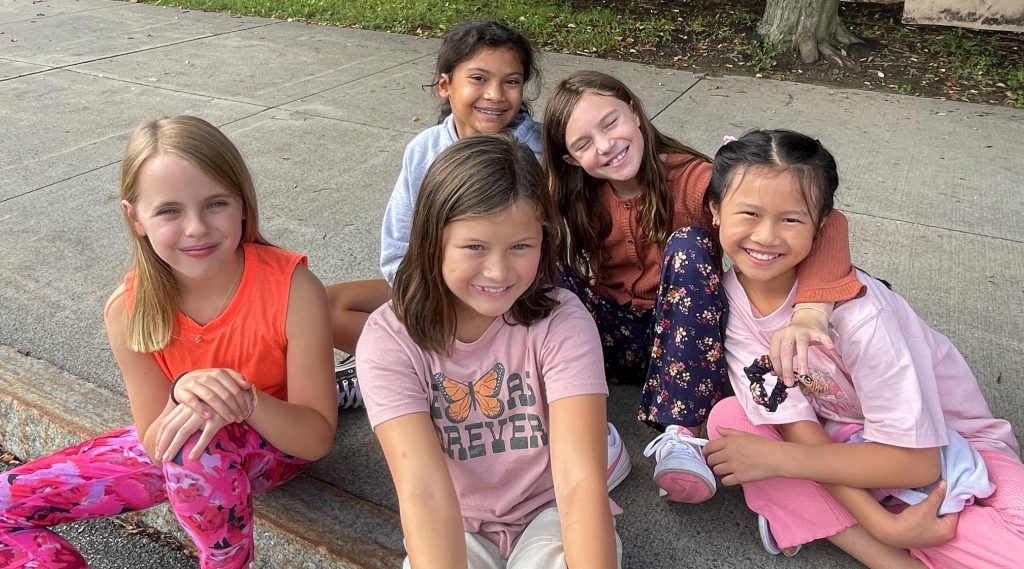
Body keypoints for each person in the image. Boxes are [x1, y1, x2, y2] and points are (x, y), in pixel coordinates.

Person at [0, 116, 338, 569]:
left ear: (242, 205)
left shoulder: (294, 289)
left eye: (215, 203)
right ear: (135, 217)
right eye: (169, 211)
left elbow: (314, 439)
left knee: (196, 437)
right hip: (178, 454)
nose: (196, 228)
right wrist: (185, 391)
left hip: (275, 444)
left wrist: (241, 399)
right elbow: (154, 439)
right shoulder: (128, 309)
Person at [702, 129, 1024, 567]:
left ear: (822, 225)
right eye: (750, 213)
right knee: (731, 423)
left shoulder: (861, 316)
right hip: (847, 444)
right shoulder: (731, 304)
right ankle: (891, 554)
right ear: (716, 210)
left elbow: (920, 466)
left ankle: (830, 518)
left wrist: (777, 461)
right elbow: (797, 426)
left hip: (954, 454)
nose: (767, 236)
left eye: (791, 220)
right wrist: (879, 523)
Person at [541, 70, 864, 504]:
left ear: (635, 112)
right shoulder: (574, 194)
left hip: (688, 342)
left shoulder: (695, 179)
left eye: (610, 122)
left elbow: (827, 224)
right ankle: (544, 406)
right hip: (609, 342)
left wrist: (810, 311)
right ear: (569, 160)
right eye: (582, 144)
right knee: (541, 265)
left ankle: (682, 434)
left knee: (690, 245)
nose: (604, 145)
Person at [357, 134, 620, 569]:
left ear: (544, 239)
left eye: (521, 246)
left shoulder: (562, 320)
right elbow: (422, 491)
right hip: (454, 521)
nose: (498, 272)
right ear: (432, 240)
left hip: (550, 511)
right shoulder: (389, 341)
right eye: (475, 247)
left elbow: (579, 481)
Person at [324, 19, 542, 410]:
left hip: (505, 291)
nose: (495, 94)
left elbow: (544, 249)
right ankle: (407, 366)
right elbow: (397, 246)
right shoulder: (424, 149)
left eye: (511, 81)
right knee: (322, 307)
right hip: (433, 287)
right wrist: (423, 296)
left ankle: (423, 372)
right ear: (446, 85)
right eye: (478, 78)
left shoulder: (538, 152)